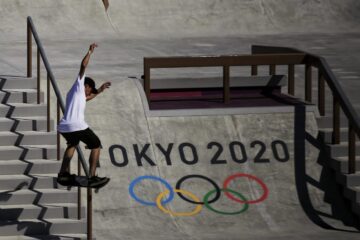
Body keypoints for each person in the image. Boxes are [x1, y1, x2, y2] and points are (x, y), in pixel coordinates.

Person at [57, 43, 111, 187]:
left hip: (64, 126)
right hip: (77, 125)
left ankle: (63, 174)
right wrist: (89, 52)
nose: (90, 91)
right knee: (96, 145)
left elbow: (89, 97)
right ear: (86, 86)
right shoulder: (79, 84)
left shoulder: (76, 95)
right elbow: (83, 66)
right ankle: (92, 177)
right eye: (90, 89)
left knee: (72, 144)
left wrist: (99, 90)